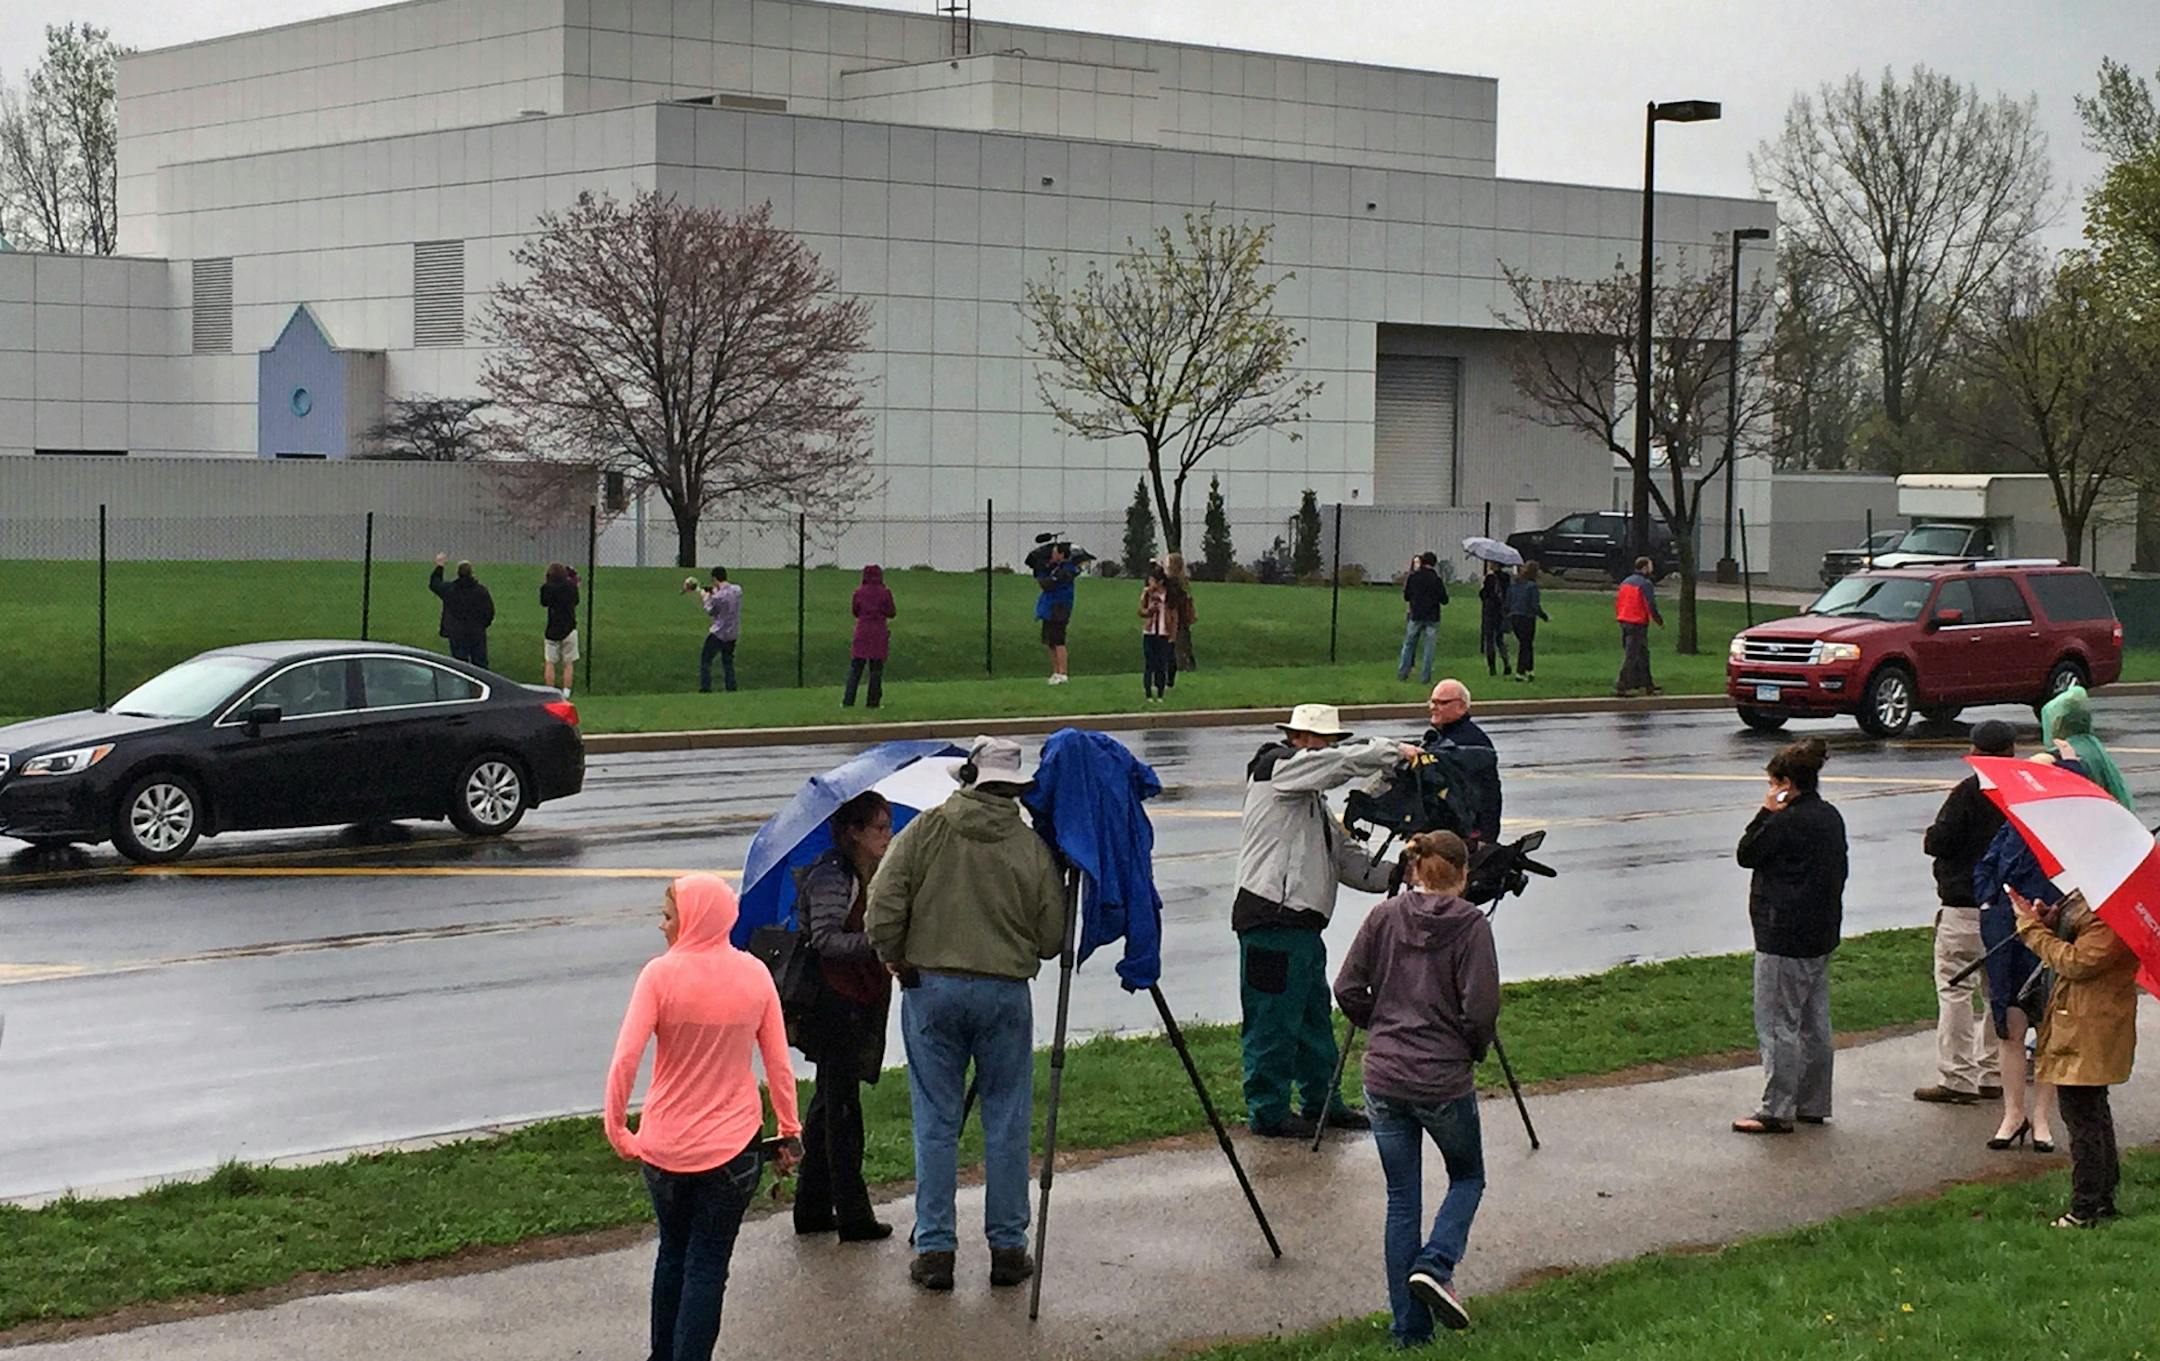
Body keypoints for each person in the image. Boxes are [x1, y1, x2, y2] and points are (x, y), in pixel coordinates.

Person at [866, 737, 1066, 1292]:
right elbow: (1052, 938)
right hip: (1004, 992)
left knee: (936, 1119)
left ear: (968, 778)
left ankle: (935, 1249)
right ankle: (1007, 1247)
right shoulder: (1031, 847)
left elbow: (883, 905)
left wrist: (894, 956)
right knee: (1006, 1118)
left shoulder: (926, 831)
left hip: (931, 986)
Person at [605, 874, 802, 1361]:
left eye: (668, 916)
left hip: (665, 1147)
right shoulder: (755, 974)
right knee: (708, 1265)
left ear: (691, 918)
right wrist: (789, 1130)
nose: (661, 925)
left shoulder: (659, 976)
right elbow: (779, 1062)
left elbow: (626, 1058)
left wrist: (619, 1130)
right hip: (733, 1149)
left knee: (672, 1253)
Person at [1335, 830, 1498, 1340]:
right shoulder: (1471, 926)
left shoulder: (1383, 918)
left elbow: (1345, 987)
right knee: (1467, 1176)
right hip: (1441, 1077)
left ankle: (1409, 1330)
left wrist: (1378, 1023)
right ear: (1463, 875)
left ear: (1413, 869)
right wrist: (1470, 1047)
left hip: (1384, 1074)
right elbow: (1481, 1008)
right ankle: (1438, 1262)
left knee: (1402, 1198)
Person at [1233, 702, 1420, 1139]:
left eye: (1328, 741)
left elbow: (1347, 860)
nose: (1325, 748)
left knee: (1313, 1019)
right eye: (1318, 740)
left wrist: (1400, 872)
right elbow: (1339, 764)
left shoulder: (1310, 800)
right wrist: (1394, 751)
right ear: (1296, 739)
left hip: (1301, 927)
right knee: (1272, 1022)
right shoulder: (1276, 769)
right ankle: (1268, 1111)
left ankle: (1323, 1102)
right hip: (1271, 921)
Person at [791, 790, 896, 1241]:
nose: (888, 837)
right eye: (879, 828)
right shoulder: (834, 876)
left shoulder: (861, 873)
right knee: (843, 1115)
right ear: (853, 833)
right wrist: (880, 942)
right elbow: (826, 940)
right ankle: (854, 1216)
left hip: (850, 1002)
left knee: (825, 1108)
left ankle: (812, 1209)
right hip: (833, 1005)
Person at [1732, 737, 1847, 1135]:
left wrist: (1765, 813)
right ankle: (1813, 1100)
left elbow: (1747, 852)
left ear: (1785, 783)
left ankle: (1776, 1108)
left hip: (1783, 933)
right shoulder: (1829, 816)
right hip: (1821, 930)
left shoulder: (1784, 821)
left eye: (1772, 783)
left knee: (1779, 1023)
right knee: (1815, 1022)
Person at [2009, 885, 2141, 1227]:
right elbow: (2075, 936)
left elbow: (2078, 962)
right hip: (2079, 1018)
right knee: (2092, 1110)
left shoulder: (2116, 911)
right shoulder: (2090, 896)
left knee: (2082, 1114)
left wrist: (2030, 929)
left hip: (2090, 1024)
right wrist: (2051, 921)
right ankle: (2101, 1199)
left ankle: (2085, 1207)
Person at [1912, 719, 2013, 1106]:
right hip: (2005, 910)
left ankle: (1957, 1075)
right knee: (1997, 992)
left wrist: (1931, 837)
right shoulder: (2019, 796)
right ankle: (1993, 1070)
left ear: (1976, 753)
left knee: (1955, 990)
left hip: (1962, 907)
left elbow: (1940, 840)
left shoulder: (1969, 793)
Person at [1974, 770, 2067, 1152]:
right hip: (2005, 932)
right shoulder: (2012, 826)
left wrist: (2049, 910)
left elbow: (2074, 887)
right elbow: (1985, 867)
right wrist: (1990, 899)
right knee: (2008, 1024)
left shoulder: (2065, 835)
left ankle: (2042, 1118)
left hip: (2046, 934)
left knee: (2048, 1027)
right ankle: (2013, 1114)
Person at [1421, 679, 1501, 845]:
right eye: (1432, 702)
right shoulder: (1440, 738)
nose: (1433, 707)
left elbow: (1485, 797)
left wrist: (1483, 838)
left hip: (1467, 833)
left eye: (1442, 703)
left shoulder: (1469, 743)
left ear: (1462, 707)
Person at [429, 552, 495, 669]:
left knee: (459, 665)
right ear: (471, 573)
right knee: (480, 663)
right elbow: (489, 611)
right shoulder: (480, 591)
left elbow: (434, 584)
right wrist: (482, 625)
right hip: (476, 632)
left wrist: (440, 566)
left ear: (458, 573)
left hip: (456, 632)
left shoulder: (450, 590)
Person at [845, 564, 895, 709]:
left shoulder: (858, 592)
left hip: (862, 631)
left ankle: (848, 700)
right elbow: (891, 612)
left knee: (856, 668)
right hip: (878, 632)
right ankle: (873, 702)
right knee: (876, 669)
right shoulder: (885, 593)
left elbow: (855, 611)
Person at [685, 567, 741, 694]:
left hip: (719, 632)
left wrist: (705, 598)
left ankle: (705, 688)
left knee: (706, 660)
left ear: (715, 578)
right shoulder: (737, 590)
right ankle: (731, 687)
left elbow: (711, 611)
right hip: (733, 633)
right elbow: (725, 591)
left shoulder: (718, 597)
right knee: (728, 662)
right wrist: (713, 591)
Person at [1614, 556, 1665, 697]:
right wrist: (1658, 620)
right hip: (1637, 622)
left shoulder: (1625, 582)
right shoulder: (1645, 584)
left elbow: (1618, 602)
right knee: (1632, 655)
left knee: (1642, 655)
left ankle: (1646, 684)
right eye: (1650, 566)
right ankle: (1622, 685)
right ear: (1644, 568)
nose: (1652, 569)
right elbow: (1650, 605)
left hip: (1624, 620)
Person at [1398, 552, 1449, 684]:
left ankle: (1403, 672)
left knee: (1409, 644)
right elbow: (1444, 600)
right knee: (1429, 647)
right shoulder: (1436, 579)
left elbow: (1406, 596)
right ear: (1434, 564)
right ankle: (1425, 677)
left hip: (1416, 614)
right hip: (1432, 616)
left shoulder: (1413, 577)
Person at [1034, 542, 1080, 684]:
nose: (1052, 555)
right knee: (1050, 641)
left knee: (1058, 640)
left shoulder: (1066, 571)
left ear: (1061, 554)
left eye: (1055, 553)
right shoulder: (1055, 568)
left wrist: (1044, 577)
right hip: (1050, 607)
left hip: (1059, 607)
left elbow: (1049, 584)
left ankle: (1063, 672)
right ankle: (1055, 671)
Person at [1501, 561, 1548, 684]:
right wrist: (1544, 616)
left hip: (1514, 616)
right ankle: (1520, 672)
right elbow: (1534, 605)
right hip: (1527, 617)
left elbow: (1507, 602)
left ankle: (1529, 669)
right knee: (1526, 644)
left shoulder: (1514, 585)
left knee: (1525, 643)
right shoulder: (1532, 586)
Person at [1139, 563, 1180, 702]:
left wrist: (1173, 635)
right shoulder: (1147, 594)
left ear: (1160, 582)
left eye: (1152, 580)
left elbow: (1174, 617)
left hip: (1163, 633)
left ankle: (1161, 692)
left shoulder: (1169, 596)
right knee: (1149, 663)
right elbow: (1141, 611)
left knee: (1161, 664)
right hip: (1149, 632)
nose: (1149, 583)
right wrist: (1149, 610)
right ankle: (1148, 692)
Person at [540, 562, 580, 696]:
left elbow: (544, 602)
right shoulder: (570, 587)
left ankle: (550, 691)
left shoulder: (547, 588)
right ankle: (567, 690)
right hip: (569, 627)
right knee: (568, 662)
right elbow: (576, 601)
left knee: (550, 661)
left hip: (552, 628)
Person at [1165, 551, 1199, 672]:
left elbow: (1172, 602)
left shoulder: (1172, 584)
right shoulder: (1182, 583)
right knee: (1184, 643)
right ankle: (1187, 664)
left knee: (1178, 644)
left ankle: (1182, 665)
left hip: (1176, 619)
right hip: (1182, 620)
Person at [1477, 561, 1512, 678]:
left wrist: (1483, 585)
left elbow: (1484, 595)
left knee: (1489, 639)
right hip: (1501, 611)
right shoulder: (1506, 577)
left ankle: (1492, 667)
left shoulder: (1490, 578)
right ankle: (1506, 662)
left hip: (1489, 610)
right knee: (1500, 639)